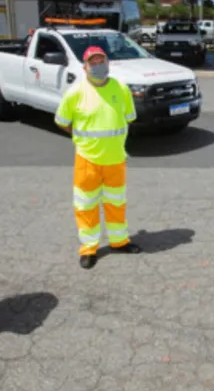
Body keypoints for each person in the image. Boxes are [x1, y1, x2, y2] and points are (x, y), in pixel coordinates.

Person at [55, 46, 142, 269]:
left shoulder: (120, 89)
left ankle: (119, 241)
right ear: (85, 67)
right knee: (86, 207)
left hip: (115, 160)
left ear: (108, 63)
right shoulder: (75, 92)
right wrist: (84, 140)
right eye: (92, 62)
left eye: (101, 61)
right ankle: (89, 249)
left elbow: (129, 118)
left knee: (116, 204)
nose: (98, 66)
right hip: (88, 160)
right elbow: (63, 122)